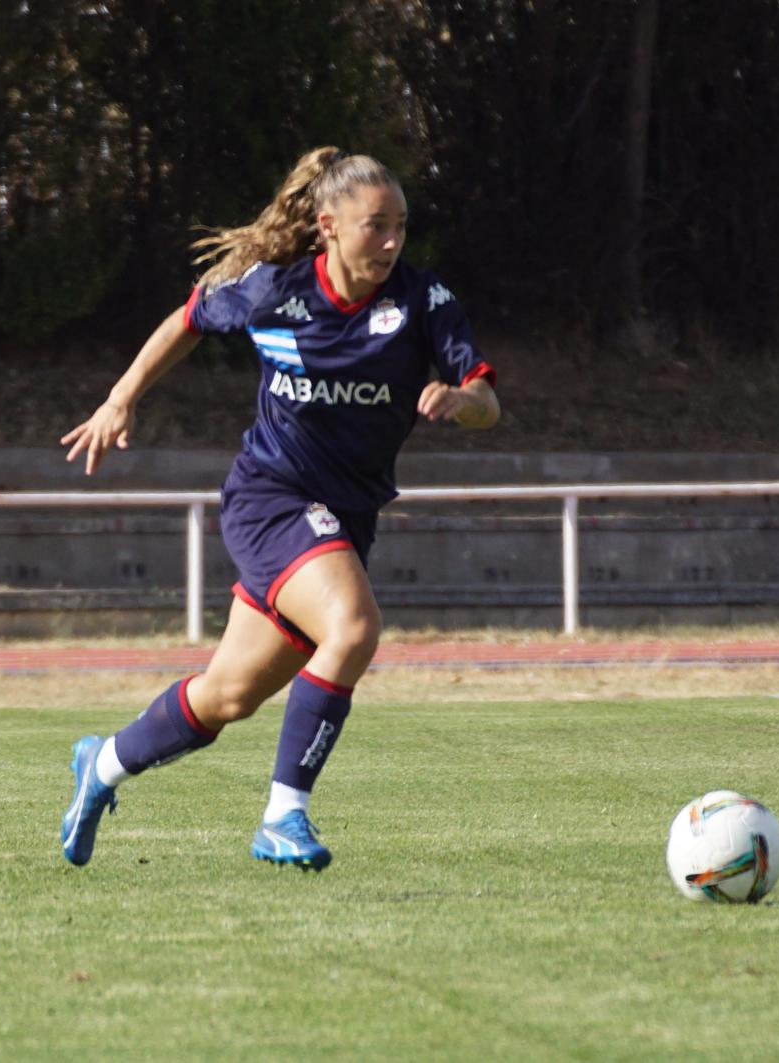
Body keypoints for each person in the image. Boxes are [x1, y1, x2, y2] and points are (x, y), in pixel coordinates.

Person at [58, 147, 498, 871]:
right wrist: (121, 395)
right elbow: (187, 319)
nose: (390, 242)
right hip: (273, 498)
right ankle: (283, 814)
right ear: (327, 225)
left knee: (224, 698)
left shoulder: (424, 302)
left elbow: (488, 400)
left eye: (400, 226)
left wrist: (461, 400)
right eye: (374, 226)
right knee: (354, 626)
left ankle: (101, 764)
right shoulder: (274, 289)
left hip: (347, 517)